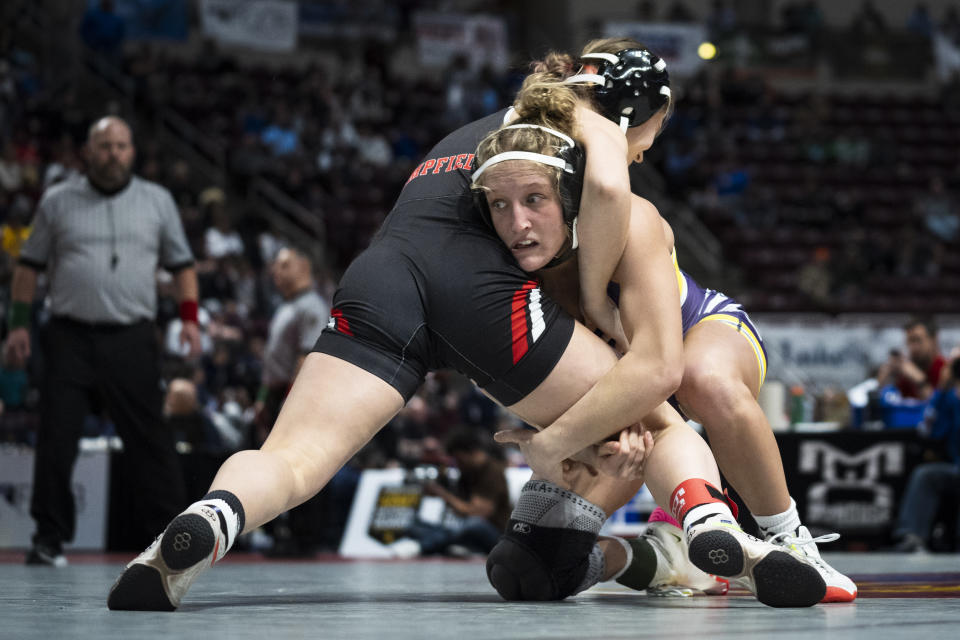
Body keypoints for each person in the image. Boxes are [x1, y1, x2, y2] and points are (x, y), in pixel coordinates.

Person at [106, 44, 825, 611]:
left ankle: (213, 515)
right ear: (633, 112)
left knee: (292, 460)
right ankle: (710, 527)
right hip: (482, 294)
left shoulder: (470, 130)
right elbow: (608, 187)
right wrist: (602, 319)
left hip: (381, 273)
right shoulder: (585, 121)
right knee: (659, 422)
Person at [472, 40, 856, 602]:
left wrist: (577, 432)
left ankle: (788, 538)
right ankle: (660, 556)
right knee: (527, 570)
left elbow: (661, 369)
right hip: (627, 385)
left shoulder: (631, 219)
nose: (519, 219)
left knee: (702, 379)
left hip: (688, 337)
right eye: (646, 137)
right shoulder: (524, 214)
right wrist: (588, 437)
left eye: (533, 201)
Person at [4, 116, 202, 566]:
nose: (113, 154)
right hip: (70, 336)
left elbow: (183, 265)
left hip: (131, 337)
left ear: (132, 152)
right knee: (57, 437)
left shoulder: (157, 201)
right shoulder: (57, 201)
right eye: (104, 146)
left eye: (121, 146)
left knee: (150, 439)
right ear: (88, 152)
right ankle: (48, 538)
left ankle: (175, 540)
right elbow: (28, 267)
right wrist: (18, 325)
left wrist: (190, 320)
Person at [254, 245, 330, 555]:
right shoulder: (286, 305)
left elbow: (307, 356)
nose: (276, 272)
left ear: (303, 266)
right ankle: (283, 531)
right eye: (274, 267)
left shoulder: (310, 306)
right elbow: (272, 362)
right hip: (275, 391)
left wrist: (290, 401)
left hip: (294, 393)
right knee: (276, 464)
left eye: (283, 265)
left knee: (297, 463)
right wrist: (262, 398)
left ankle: (304, 538)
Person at [390, 427, 511, 558]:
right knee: (415, 526)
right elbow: (460, 512)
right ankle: (453, 545)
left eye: (459, 460)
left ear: (470, 453)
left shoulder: (492, 471)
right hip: (466, 530)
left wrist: (442, 494)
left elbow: (478, 513)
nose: (458, 464)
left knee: (473, 525)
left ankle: (423, 546)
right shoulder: (467, 473)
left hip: (495, 533)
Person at [891, 349, 960, 552]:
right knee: (925, 475)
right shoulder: (949, 398)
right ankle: (911, 536)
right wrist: (941, 389)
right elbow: (929, 430)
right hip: (955, 467)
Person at [877, 316, 947, 401]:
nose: (913, 347)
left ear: (933, 340)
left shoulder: (946, 369)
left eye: (918, 340)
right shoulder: (904, 374)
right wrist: (883, 381)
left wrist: (919, 380)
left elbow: (937, 407)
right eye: (909, 341)